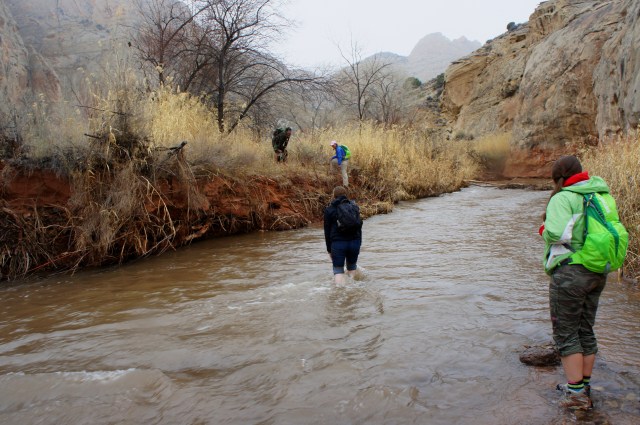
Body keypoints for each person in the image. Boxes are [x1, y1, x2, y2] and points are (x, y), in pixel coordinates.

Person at [540, 155, 619, 411]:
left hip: (571, 271)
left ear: (558, 178)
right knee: (585, 328)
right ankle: (584, 386)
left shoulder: (564, 197)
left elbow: (556, 233)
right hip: (598, 270)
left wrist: (542, 230)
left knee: (566, 333)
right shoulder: (600, 194)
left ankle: (575, 395)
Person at [323, 186, 362, 285]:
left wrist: (329, 250)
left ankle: (340, 294)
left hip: (338, 244)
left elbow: (327, 232)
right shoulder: (354, 207)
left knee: (338, 270)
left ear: (334, 196)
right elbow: (359, 227)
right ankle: (352, 287)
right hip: (354, 242)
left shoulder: (329, 210)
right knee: (352, 267)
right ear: (346, 195)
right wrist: (359, 243)